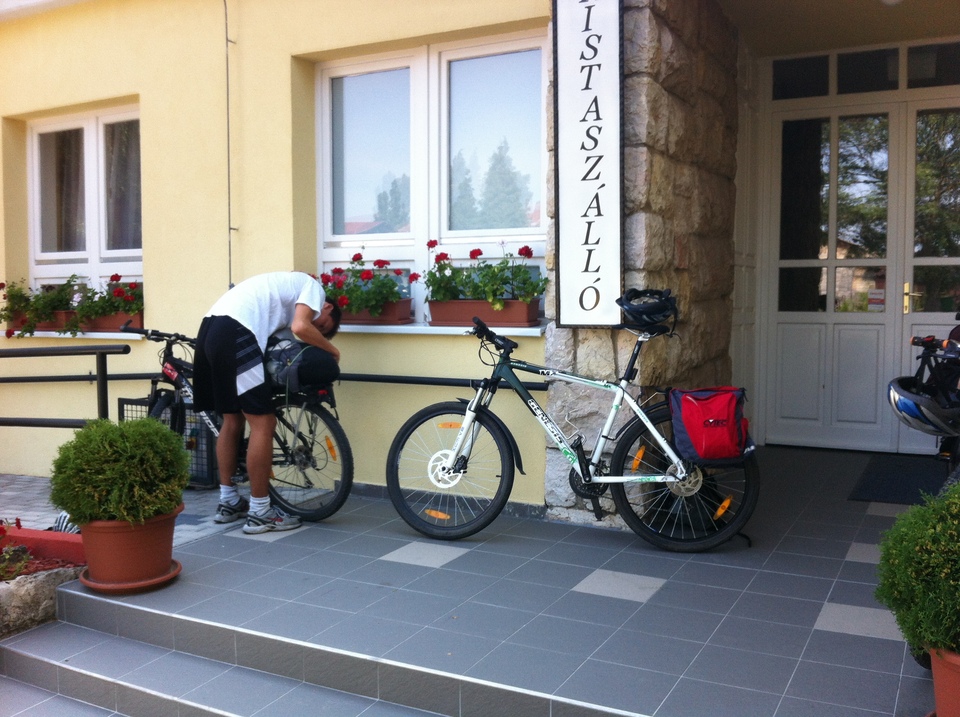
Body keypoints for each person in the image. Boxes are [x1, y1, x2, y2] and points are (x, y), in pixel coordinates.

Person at [193, 271, 341, 534]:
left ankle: (228, 502)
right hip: (237, 332)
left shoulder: (281, 297)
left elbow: (285, 343)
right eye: (322, 326)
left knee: (232, 419)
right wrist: (332, 351)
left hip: (210, 330)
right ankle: (261, 513)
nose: (316, 329)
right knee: (263, 422)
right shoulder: (312, 287)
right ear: (326, 307)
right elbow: (300, 328)